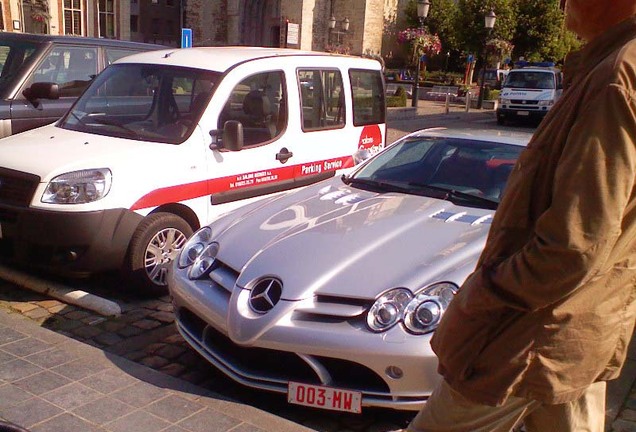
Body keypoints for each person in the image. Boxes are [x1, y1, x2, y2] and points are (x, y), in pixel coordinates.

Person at [397, 1, 636, 431]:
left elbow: (571, 249)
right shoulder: (613, 69)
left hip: (527, 337)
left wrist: (482, 292)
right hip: (578, 329)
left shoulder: (614, 78)